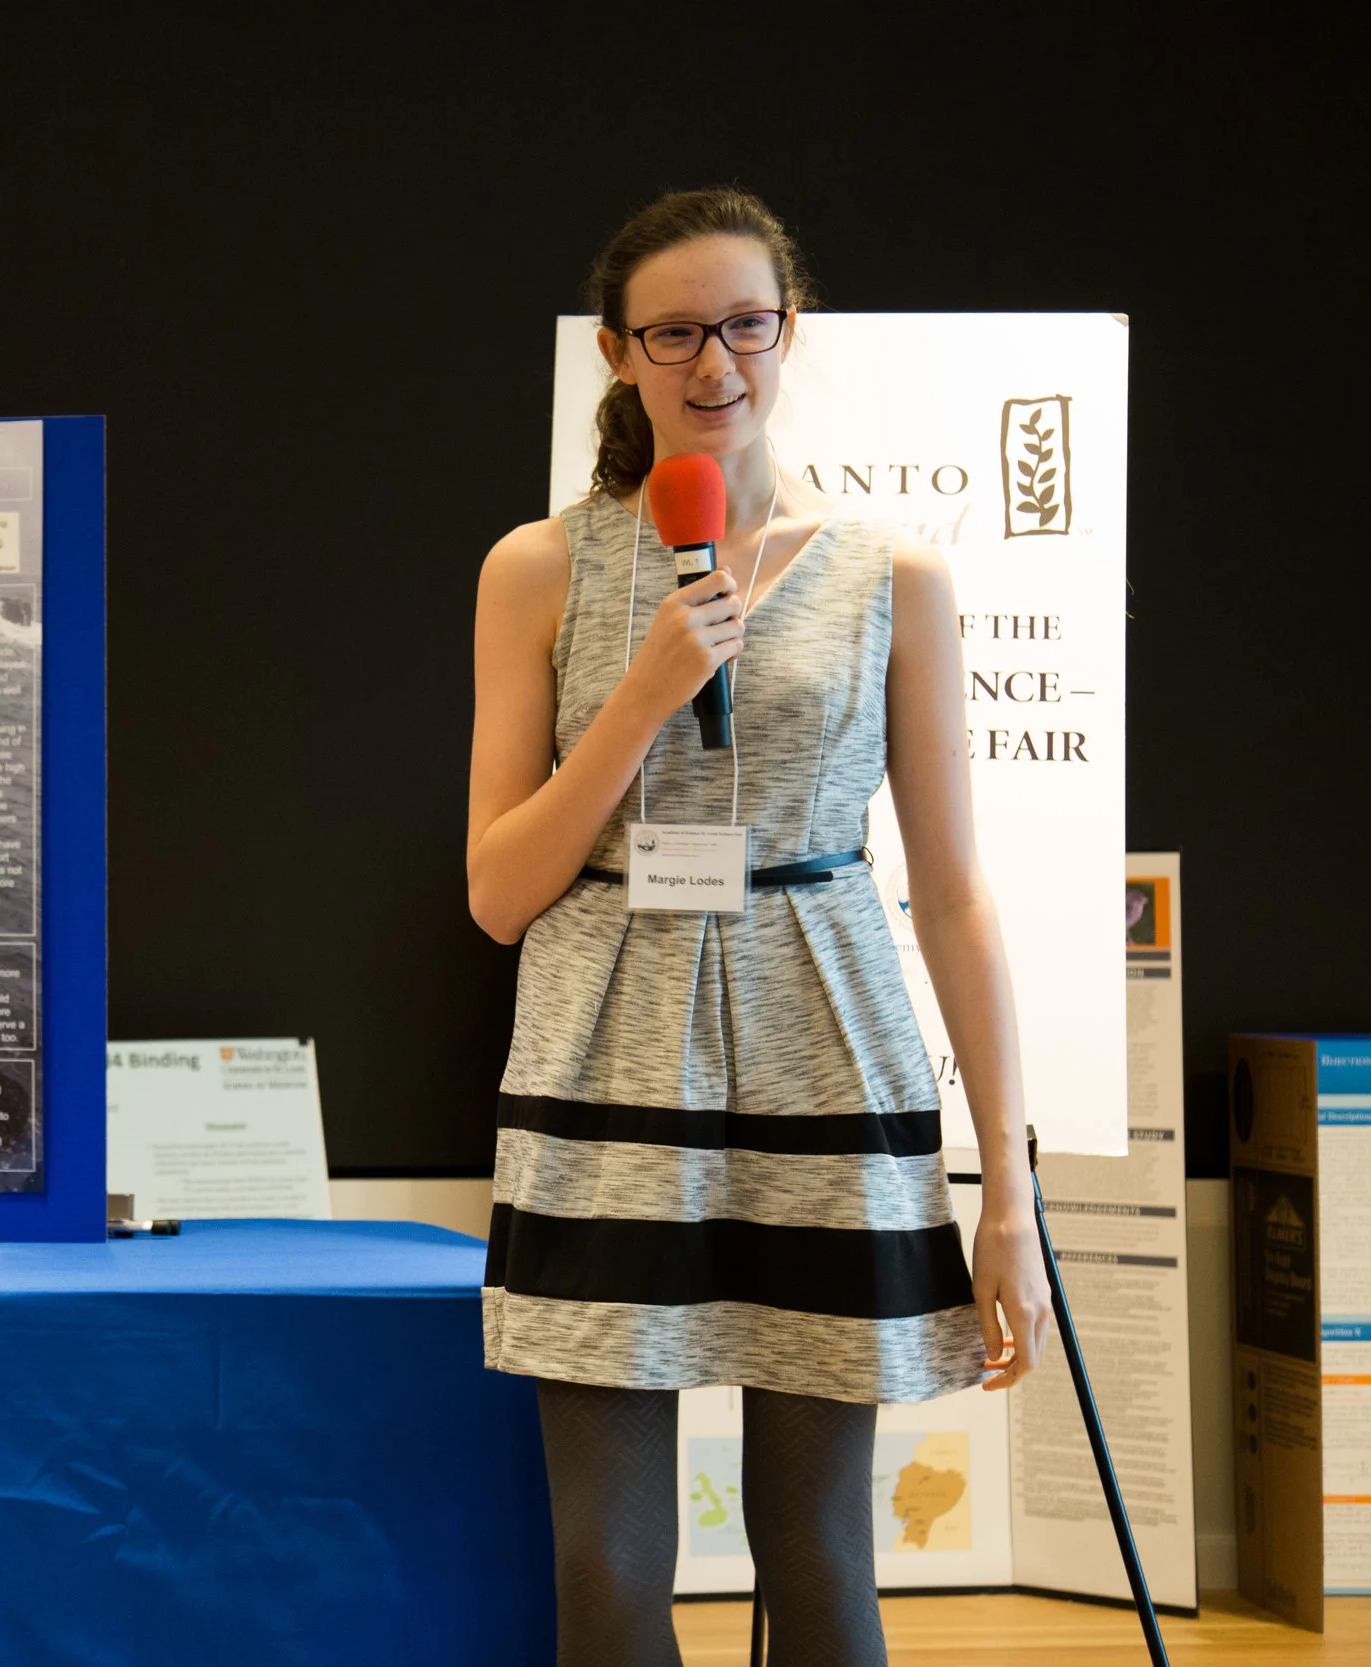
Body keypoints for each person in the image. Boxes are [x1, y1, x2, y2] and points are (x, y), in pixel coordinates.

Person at [463, 187, 1054, 1665]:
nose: (714, 361)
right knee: (604, 1566)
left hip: (828, 1047)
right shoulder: (540, 566)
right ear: (617, 352)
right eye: (675, 331)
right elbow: (496, 888)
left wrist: (1010, 1199)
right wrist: (647, 690)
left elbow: (959, 894)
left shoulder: (890, 576)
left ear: (789, 332)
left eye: (746, 323)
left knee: (822, 1555)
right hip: (601, 1058)